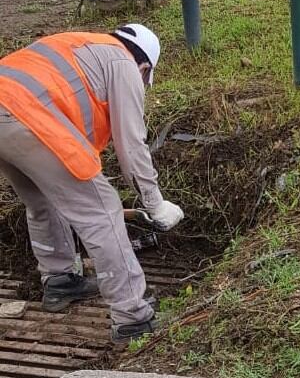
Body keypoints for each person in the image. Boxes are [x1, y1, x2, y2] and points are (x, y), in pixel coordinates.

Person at [0, 23, 184, 342]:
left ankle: (61, 281)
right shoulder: (124, 63)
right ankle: (133, 317)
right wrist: (155, 204)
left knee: (41, 201)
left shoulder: (80, 44)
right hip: (25, 113)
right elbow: (132, 144)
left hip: (9, 109)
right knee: (102, 211)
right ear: (144, 67)